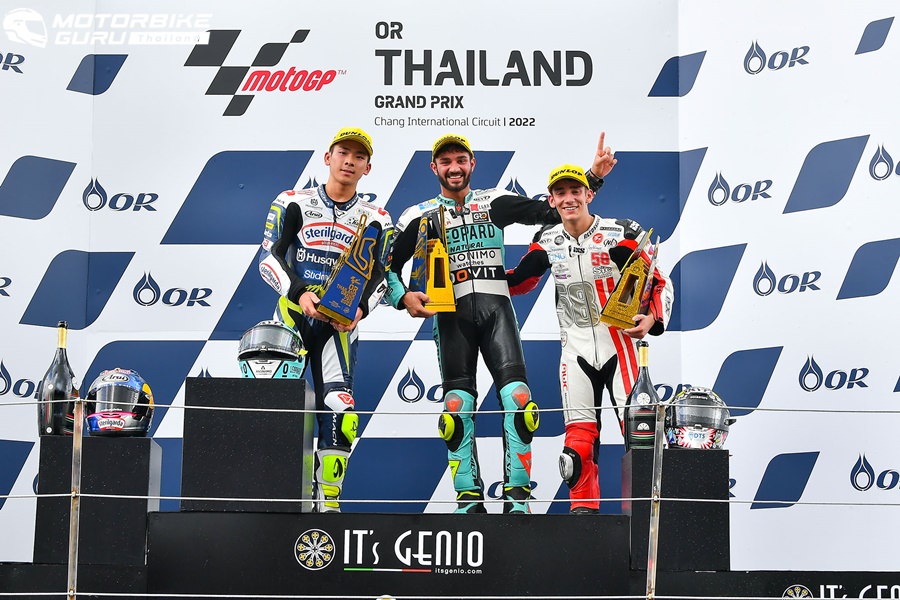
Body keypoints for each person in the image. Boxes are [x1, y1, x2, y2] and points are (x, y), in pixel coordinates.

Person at [385, 133, 616, 514]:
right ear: (434, 167)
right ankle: (468, 500)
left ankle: (518, 499)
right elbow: (386, 266)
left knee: (520, 401)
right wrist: (402, 297)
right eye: (446, 162)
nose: (454, 168)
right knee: (456, 408)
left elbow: (551, 211)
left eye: (461, 160)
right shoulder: (418, 215)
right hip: (451, 317)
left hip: (498, 311)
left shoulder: (492, 201)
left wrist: (593, 177)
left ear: (472, 163)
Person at [506, 163, 674, 514]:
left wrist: (652, 318)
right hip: (575, 351)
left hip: (620, 347)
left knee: (641, 435)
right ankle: (584, 523)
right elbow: (520, 281)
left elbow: (658, 280)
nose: (569, 199)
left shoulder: (620, 232)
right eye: (561, 193)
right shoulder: (547, 239)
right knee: (577, 448)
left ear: (589, 195)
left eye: (575, 191)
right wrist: (474, 277)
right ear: (551, 200)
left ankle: (648, 518)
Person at [258, 127, 394, 512]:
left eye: (359, 156)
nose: (349, 161)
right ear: (327, 158)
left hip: (339, 326)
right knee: (276, 408)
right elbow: (269, 258)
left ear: (368, 167)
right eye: (343, 152)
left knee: (339, 406)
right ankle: (272, 499)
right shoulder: (292, 202)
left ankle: (328, 502)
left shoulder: (377, 218)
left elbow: (382, 276)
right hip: (292, 316)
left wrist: (360, 309)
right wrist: (300, 293)